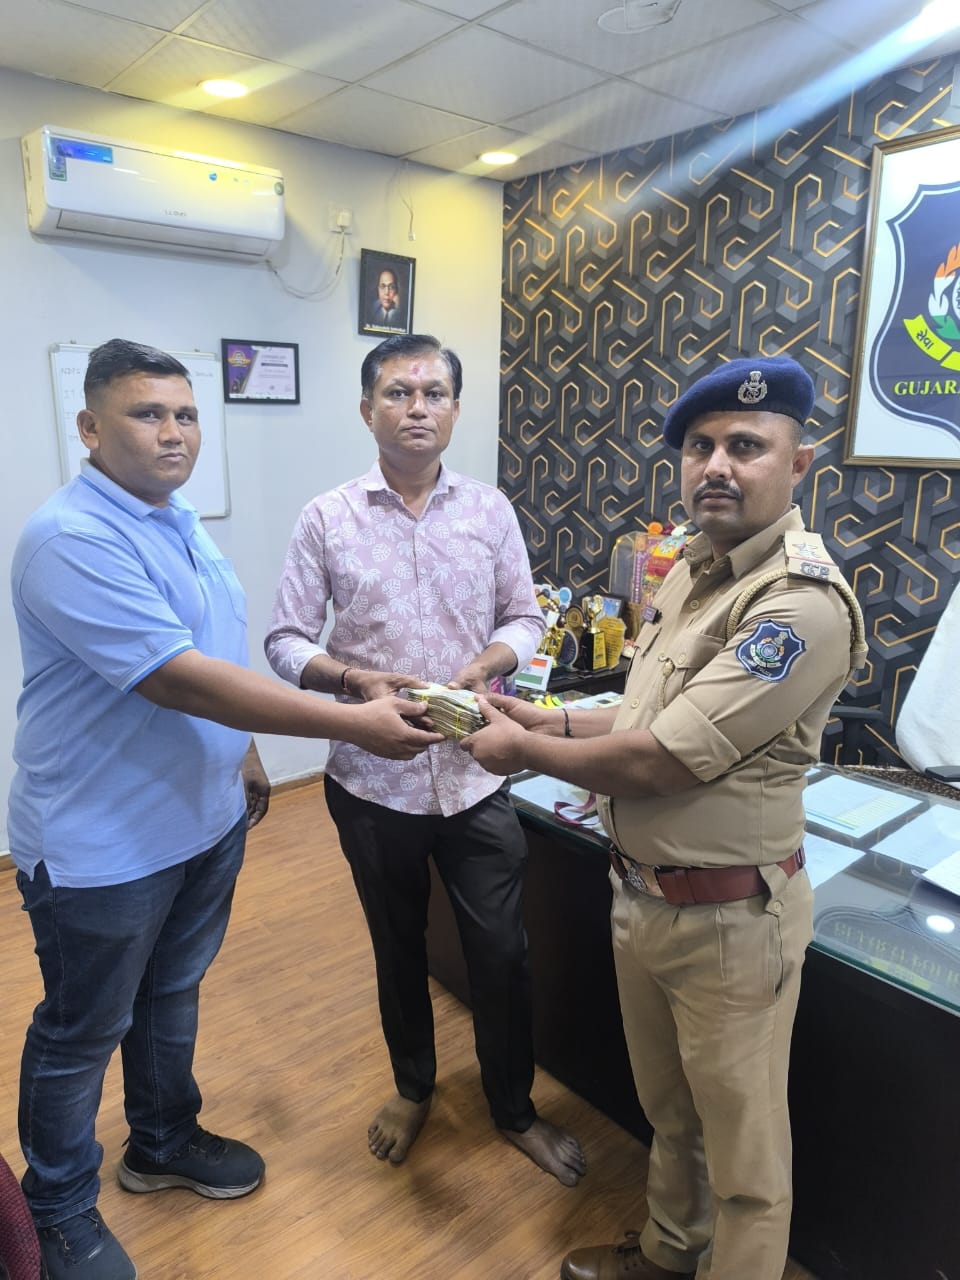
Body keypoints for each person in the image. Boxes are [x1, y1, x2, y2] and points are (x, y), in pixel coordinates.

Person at [8, 338, 442, 1280]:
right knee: (82, 1028)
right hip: (102, 843)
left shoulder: (175, 519)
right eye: (146, 414)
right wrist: (353, 722)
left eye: (186, 414)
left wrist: (241, 749)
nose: (174, 433)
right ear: (89, 428)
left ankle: (162, 1140)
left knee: (171, 993)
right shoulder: (71, 538)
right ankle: (56, 1208)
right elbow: (176, 677)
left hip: (198, 820)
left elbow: (210, 649)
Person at [459, 356, 866, 1280]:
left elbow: (662, 759)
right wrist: (546, 719)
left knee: (746, 1161)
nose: (717, 465)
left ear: (798, 464)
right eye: (700, 446)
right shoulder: (691, 570)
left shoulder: (796, 605)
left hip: (731, 921)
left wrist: (520, 752)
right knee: (671, 1116)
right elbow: (642, 715)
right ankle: (669, 1255)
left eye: (746, 446)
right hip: (644, 899)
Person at [265, 333, 586, 1188]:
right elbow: (285, 640)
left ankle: (512, 1108)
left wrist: (491, 662)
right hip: (371, 780)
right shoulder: (327, 517)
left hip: (477, 773)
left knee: (503, 953)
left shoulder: (489, 510)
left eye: (434, 393)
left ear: (454, 409)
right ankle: (414, 1089)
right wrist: (353, 679)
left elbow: (527, 616)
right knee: (397, 945)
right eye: (399, 393)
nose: (417, 408)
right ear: (367, 409)